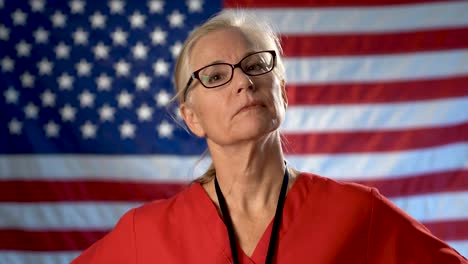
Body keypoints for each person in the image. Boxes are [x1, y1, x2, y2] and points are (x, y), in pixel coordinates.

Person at [72, 10, 467, 264]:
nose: (243, 82)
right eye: (214, 76)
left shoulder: (356, 214)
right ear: (192, 119)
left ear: (282, 90)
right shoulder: (146, 233)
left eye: (256, 65)